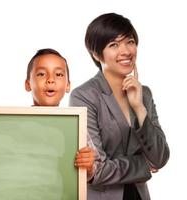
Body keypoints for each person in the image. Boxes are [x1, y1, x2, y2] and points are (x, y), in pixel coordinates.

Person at [0, 48, 96, 179]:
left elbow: (87, 175)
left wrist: (88, 166)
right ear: (28, 84)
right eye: (41, 74)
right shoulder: (11, 125)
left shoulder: (78, 127)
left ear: (68, 85)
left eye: (59, 74)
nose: (50, 80)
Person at [69, 13, 170, 200]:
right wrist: (143, 165)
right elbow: (96, 170)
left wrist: (139, 107)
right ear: (96, 54)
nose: (125, 51)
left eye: (130, 42)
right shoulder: (84, 96)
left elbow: (160, 157)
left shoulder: (144, 93)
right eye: (114, 45)